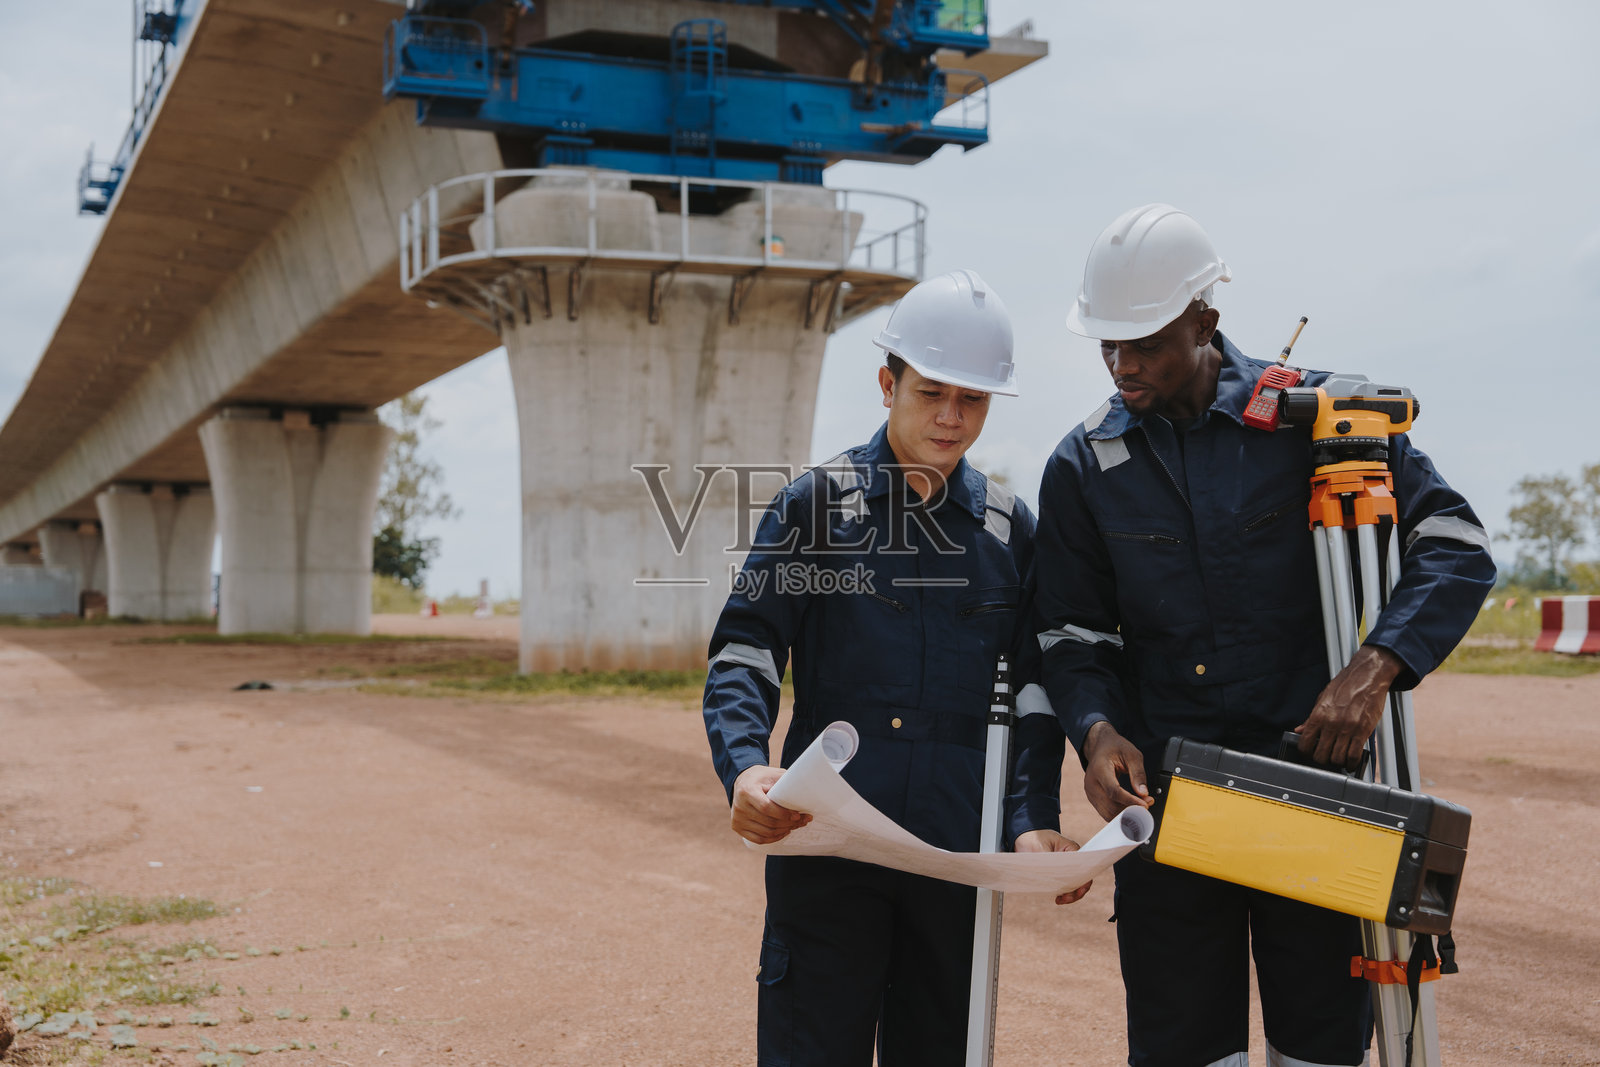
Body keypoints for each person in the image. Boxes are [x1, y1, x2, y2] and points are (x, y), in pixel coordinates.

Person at [1033, 204, 1496, 1067]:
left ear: (1205, 321)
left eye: (1145, 344)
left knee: (1320, 1048)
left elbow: (1456, 544)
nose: (1123, 366)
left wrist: (1376, 665)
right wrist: (1094, 732)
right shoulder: (1084, 465)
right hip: (1170, 802)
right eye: (1108, 345)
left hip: (1317, 789)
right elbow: (1072, 632)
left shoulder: (1325, 424)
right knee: (1183, 1050)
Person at [702, 268, 1083, 1067]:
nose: (950, 416)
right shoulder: (814, 507)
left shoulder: (1009, 531)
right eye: (931, 392)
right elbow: (747, 649)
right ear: (888, 384)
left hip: (954, 858)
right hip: (827, 849)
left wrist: (1030, 816)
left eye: (972, 399)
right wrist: (744, 764)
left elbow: (1034, 692)